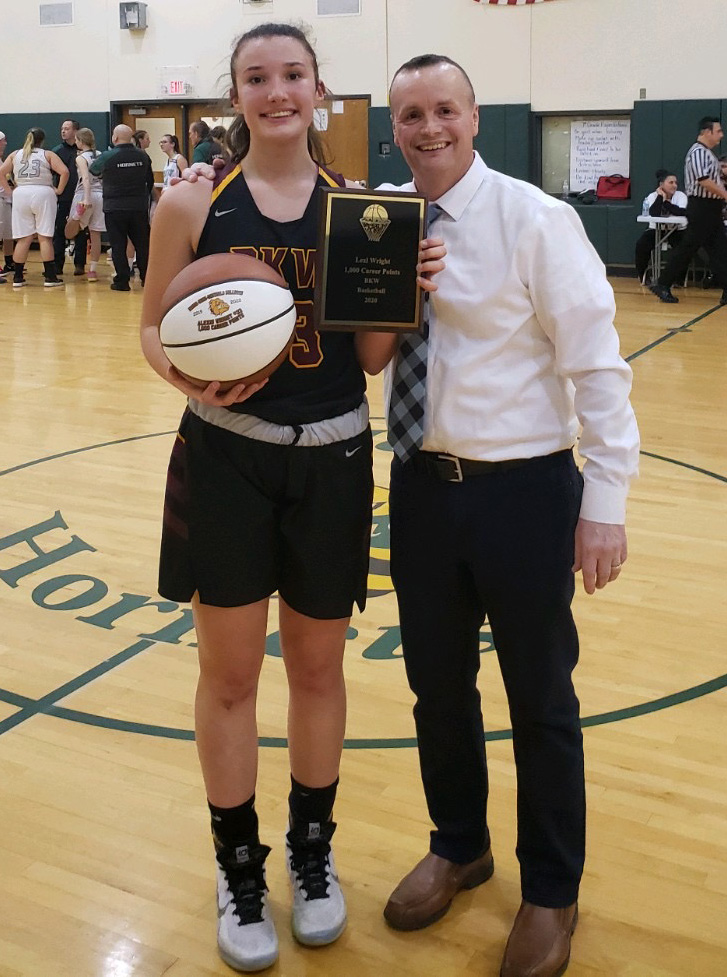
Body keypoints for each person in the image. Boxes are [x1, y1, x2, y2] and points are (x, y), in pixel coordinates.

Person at [357, 55, 639, 977]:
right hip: (420, 487)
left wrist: (604, 503)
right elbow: (365, 351)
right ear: (391, 126)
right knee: (436, 689)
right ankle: (459, 843)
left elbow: (596, 367)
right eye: (409, 115)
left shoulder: (535, 219)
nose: (427, 128)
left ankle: (550, 892)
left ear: (475, 118)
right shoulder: (383, 220)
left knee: (540, 701)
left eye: (444, 110)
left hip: (523, 489)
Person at [139, 22, 407, 974]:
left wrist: (397, 297)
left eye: (293, 74)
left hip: (333, 455)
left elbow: (370, 363)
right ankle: (238, 865)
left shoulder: (362, 208)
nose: (277, 91)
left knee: (320, 672)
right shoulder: (189, 201)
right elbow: (150, 330)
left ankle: (311, 852)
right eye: (257, 77)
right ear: (237, 95)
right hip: (227, 461)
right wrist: (191, 381)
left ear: (319, 89)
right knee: (229, 677)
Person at [650, 117, 727, 304]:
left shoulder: (708, 154)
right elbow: (703, 180)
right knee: (689, 247)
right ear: (707, 132)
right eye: (718, 131)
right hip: (702, 206)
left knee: (718, 249)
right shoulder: (698, 152)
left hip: (711, 207)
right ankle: (663, 283)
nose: (721, 135)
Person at [0, 127, 68, 287]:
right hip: (43, 192)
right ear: (42, 140)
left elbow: (1, 173)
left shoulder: (15, 154)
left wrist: (10, 191)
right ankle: (50, 277)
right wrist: (59, 190)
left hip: (21, 193)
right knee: (44, 237)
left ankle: (17, 277)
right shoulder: (47, 154)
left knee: (24, 238)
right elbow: (64, 171)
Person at [89, 124, 153, 291]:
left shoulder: (108, 156)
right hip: (138, 206)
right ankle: (147, 279)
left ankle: (122, 281)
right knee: (142, 244)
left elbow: (93, 170)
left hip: (114, 207)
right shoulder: (143, 156)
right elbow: (150, 180)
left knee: (118, 244)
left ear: (115, 138)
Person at [63, 127, 105, 282]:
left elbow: (86, 179)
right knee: (96, 234)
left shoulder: (80, 158)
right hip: (101, 195)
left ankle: (77, 214)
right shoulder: (101, 155)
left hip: (84, 194)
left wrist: (86, 199)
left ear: (80, 141)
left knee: (69, 231)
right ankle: (92, 271)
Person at [634, 169, 688, 283]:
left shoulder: (681, 196)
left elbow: (680, 212)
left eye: (676, 183)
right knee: (641, 245)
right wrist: (660, 197)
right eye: (671, 182)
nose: (674, 185)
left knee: (682, 248)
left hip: (677, 230)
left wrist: (666, 202)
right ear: (661, 185)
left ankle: (678, 278)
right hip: (656, 229)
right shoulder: (652, 196)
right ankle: (643, 275)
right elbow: (654, 213)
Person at [51, 118, 87, 275]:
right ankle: (57, 265)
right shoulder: (57, 151)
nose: (63, 131)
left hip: (79, 198)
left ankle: (80, 264)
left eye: (66, 128)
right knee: (59, 231)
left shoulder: (84, 152)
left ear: (75, 131)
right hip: (63, 198)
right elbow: (50, 174)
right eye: (62, 128)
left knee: (80, 231)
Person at [0, 130, 14, 282]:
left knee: (8, 232)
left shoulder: (2, 160)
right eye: (3, 140)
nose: (5, 143)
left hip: (6, 200)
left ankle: (9, 262)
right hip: (1, 199)